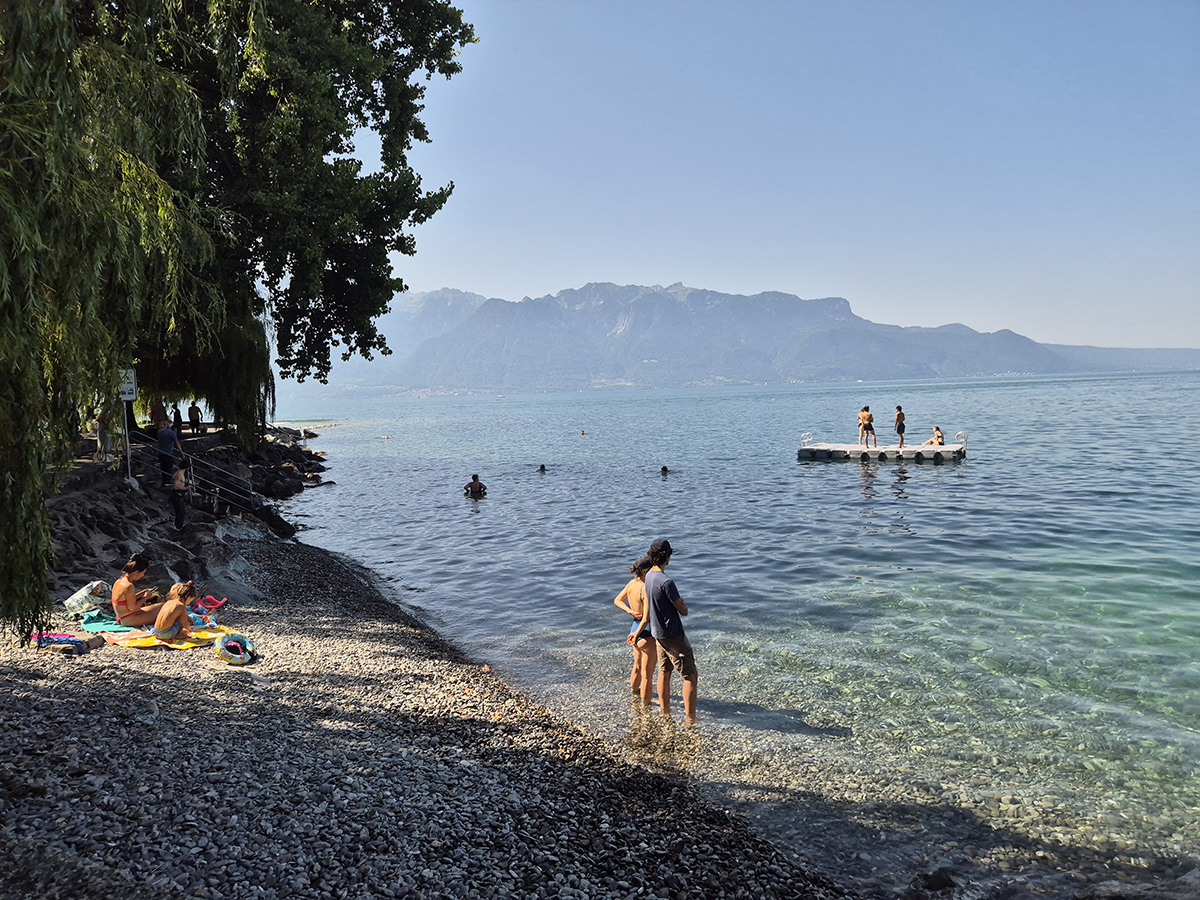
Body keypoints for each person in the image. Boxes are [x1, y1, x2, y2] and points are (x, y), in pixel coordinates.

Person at [640, 538, 698, 723]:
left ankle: (665, 712)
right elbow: (684, 610)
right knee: (690, 676)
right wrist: (683, 603)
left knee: (664, 671)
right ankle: (690, 719)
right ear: (668, 556)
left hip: (657, 633)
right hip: (673, 634)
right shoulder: (667, 582)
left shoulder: (649, 575)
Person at [613, 555, 657, 704]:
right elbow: (646, 618)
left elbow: (617, 600)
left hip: (634, 626)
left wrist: (630, 611)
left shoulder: (631, 584)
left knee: (637, 667)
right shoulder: (645, 588)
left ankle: (634, 695)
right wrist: (637, 634)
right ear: (645, 571)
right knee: (647, 674)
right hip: (646, 632)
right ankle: (646, 705)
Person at [111, 553, 167, 628]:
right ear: (136, 572)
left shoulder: (120, 580)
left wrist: (142, 593)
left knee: (164, 606)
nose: (143, 575)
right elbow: (132, 608)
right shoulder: (129, 586)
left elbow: (127, 600)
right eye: (143, 573)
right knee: (166, 615)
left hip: (124, 616)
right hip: (128, 618)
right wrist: (145, 598)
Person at [156, 420, 182, 487]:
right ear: (171, 425)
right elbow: (177, 443)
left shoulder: (160, 432)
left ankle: (164, 481)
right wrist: (181, 452)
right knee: (168, 467)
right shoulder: (172, 433)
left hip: (160, 452)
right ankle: (168, 481)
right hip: (168, 452)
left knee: (163, 467)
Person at [170, 460, 191, 530]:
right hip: (177, 495)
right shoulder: (180, 474)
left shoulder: (179, 473)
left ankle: (178, 526)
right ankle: (178, 527)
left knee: (182, 512)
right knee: (180, 513)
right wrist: (186, 488)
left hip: (179, 495)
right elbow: (176, 487)